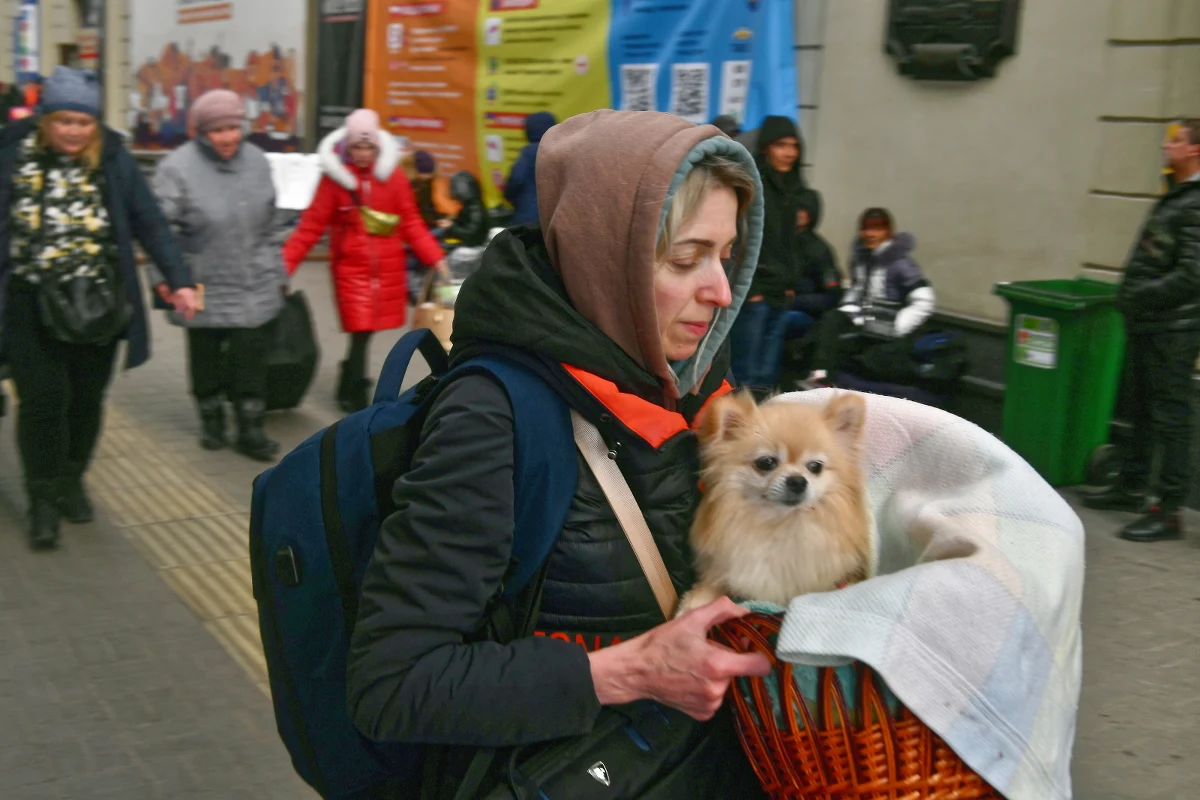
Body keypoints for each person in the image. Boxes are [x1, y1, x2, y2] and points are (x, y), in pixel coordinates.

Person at [346, 109, 771, 798]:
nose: (720, 291)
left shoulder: (689, 388)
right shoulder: (494, 419)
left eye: (726, 256)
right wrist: (627, 673)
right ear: (610, 258)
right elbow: (393, 685)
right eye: (687, 259)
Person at [0, 67, 197, 550]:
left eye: (83, 123)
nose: (74, 131)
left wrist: (180, 280)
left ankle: (72, 478)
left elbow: (149, 221)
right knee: (44, 401)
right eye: (64, 121)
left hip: (100, 302)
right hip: (30, 300)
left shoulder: (114, 159)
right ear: (46, 119)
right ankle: (42, 496)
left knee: (87, 398)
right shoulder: (12, 153)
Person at [151, 89, 288, 462]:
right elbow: (157, 231)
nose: (228, 137)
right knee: (206, 355)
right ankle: (211, 418)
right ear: (201, 132)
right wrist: (164, 278)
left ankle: (250, 427)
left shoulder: (258, 161)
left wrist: (277, 268)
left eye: (233, 127)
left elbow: (274, 221)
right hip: (202, 281)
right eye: (218, 130)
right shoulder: (176, 168)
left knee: (251, 358)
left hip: (253, 278)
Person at [283, 109, 448, 413]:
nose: (362, 154)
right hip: (351, 268)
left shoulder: (393, 179)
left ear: (377, 147)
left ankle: (350, 379)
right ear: (346, 146)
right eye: (357, 147)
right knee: (360, 330)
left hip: (386, 267)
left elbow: (409, 221)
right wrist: (285, 265)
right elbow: (310, 227)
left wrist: (435, 257)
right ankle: (355, 389)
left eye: (368, 147)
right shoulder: (334, 182)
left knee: (366, 333)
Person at [1086, 119, 1200, 541]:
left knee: (1171, 418)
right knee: (1138, 409)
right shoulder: (1177, 192)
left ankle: (1168, 510)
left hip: (1174, 327)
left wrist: (1139, 296)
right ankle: (1131, 486)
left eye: (1175, 140)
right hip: (1150, 323)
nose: (1164, 145)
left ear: (1194, 151)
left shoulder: (1195, 200)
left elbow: (1192, 274)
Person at [730, 115, 820, 395]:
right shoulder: (754, 186)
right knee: (744, 372)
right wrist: (751, 288)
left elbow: (793, 243)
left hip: (781, 293)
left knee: (768, 375)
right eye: (781, 145)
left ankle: (762, 431)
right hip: (754, 293)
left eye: (794, 146)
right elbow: (740, 239)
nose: (789, 152)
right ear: (767, 147)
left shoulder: (794, 190)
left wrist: (791, 282)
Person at [803, 208, 935, 388]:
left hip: (888, 322)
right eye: (866, 229)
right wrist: (848, 308)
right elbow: (858, 287)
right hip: (866, 318)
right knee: (830, 322)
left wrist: (898, 326)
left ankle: (830, 380)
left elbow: (924, 301)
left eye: (877, 229)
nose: (870, 234)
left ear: (888, 232)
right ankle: (820, 377)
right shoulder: (862, 258)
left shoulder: (901, 264)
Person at [784, 193, 841, 341]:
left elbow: (832, 296)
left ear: (811, 215)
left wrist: (794, 300)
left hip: (806, 314)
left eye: (803, 210)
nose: (798, 213)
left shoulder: (819, 249)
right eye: (795, 208)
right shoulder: (779, 242)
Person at [503, 110, 556, 226]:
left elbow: (516, 179)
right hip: (556, 217)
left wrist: (510, 197)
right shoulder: (562, 150)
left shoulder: (529, 153)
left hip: (529, 218)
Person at [437, 170, 489, 248]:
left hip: (474, 246)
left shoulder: (475, 209)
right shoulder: (470, 205)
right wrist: (452, 221)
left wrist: (451, 226)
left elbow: (471, 233)